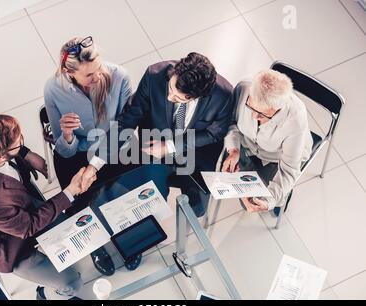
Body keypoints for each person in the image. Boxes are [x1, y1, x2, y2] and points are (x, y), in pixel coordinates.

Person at [0, 115, 95, 300]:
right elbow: (28, 226)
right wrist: (70, 191)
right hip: (6, 244)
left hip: (19, 206)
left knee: (79, 227)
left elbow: (8, 145)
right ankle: (44, 294)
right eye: (18, 143)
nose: (21, 141)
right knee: (72, 283)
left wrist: (26, 154)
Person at [82, 52, 234, 217]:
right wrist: (95, 164)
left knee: (197, 209)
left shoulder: (223, 95)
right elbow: (127, 120)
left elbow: (215, 133)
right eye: (170, 88)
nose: (169, 97)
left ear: (197, 96)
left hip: (197, 153)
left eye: (177, 98)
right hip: (153, 146)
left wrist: (170, 146)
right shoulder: (154, 75)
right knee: (152, 205)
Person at [44, 36, 141, 276]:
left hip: (116, 145)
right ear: (69, 73)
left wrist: (96, 165)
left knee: (126, 193)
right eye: (89, 75)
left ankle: (127, 233)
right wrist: (67, 135)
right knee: (79, 202)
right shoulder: (53, 89)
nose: (98, 77)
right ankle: (95, 245)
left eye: (99, 68)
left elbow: (125, 127)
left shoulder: (120, 76)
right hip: (77, 152)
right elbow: (64, 149)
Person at [222, 69, 313, 214]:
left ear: (278, 109)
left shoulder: (296, 119)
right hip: (248, 146)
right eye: (250, 107)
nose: (253, 115)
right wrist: (233, 149)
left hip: (278, 158)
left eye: (262, 114)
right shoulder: (244, 87)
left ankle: (283, 197)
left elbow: (288, 170)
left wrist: (269, 200)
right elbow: (231, 121)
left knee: (266, 202)